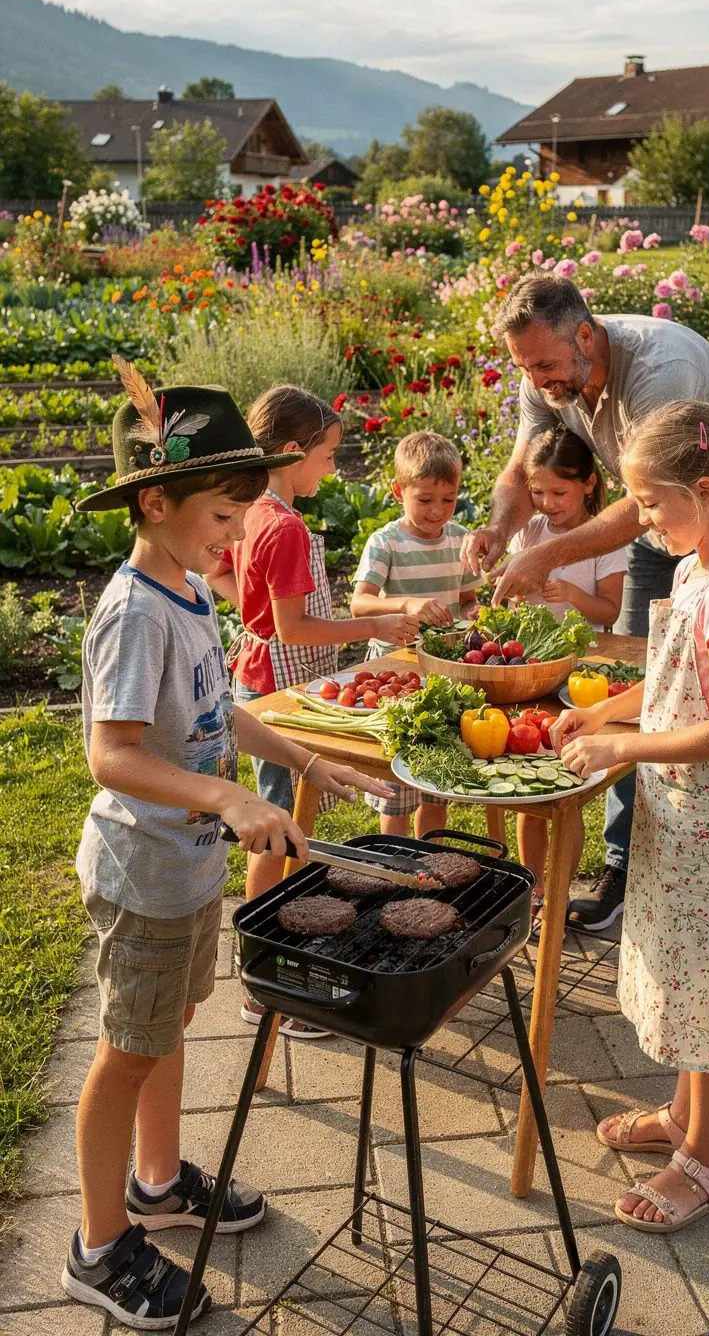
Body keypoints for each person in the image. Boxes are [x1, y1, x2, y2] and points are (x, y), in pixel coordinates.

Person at [63, 373, 392, 1329]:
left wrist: (304, 759)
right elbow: (111, 754)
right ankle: (97, 1247)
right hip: (143, 874)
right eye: (221, 514)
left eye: (244, 511)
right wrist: (225, 797)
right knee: (127, 1052)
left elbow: (220, 710)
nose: (238, 532)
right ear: (154, 503)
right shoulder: (135, 611)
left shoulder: (187, 590)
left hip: (187, 868)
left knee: (169, 1027)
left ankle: (157, 1181)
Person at [461, 275, 709, 932]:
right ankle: (628, 862)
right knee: (650, 674)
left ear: (585, 335)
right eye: (525, 368)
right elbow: (519, 473)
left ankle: (662, 853)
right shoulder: (545, 370)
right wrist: (498, 530)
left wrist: (546, 555)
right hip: (667, 514)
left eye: (544, 365)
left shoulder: (659, 371)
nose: (536, 381)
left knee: (704, 680)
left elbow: (644, 506)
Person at [552, 399, 709, 1233]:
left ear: (707, 492)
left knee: (705, 992)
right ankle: (684, 1117)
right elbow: (666, 682)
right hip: (680, 810)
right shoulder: (695, 570)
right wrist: (605, 712)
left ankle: (706, 1161)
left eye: (652, 505)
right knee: (681, 977)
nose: (644, 522)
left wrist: (622, 749)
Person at [207, 385, 416, 1033]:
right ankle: (266, 977)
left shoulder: (250, 510)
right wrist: (378, 628)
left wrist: (255, 614)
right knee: (277, 828)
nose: (332, 467)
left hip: (256, 676)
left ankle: (270, 959)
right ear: (295, 451)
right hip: (280, 687)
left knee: (277, 820)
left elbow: (220, 576)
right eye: (328, 455)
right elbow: (295, 630)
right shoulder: (287, 527)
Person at [508, 427, 627, 911]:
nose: (548, 503)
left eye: (559, 492)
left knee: (564, 790)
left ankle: (559, 891)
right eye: (538, 493)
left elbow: (610, 612)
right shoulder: (530, 532)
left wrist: (575, 596)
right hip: (532, 675)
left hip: (578, 685)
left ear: (588, 483)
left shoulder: (605, 540)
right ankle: (532, 889)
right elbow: (514, 596)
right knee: (529, 789)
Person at [351, 431, 481, 836]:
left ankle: (431, 856)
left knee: (436, 780)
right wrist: (406, 604)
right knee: (397, 785)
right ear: (398, 491)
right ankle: (395, 858)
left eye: (449, 499)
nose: (437, 511)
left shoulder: (459, 539)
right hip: (395, 671)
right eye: (425, 500)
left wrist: (475, 613)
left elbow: (467, 599)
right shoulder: (386, 542)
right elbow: (360, 604)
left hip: (442, 671)